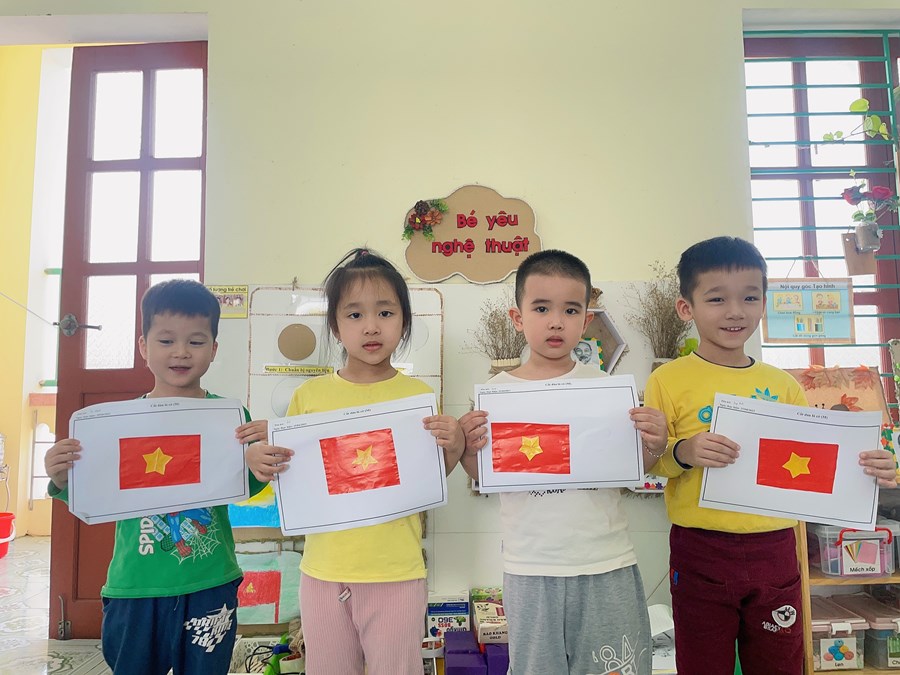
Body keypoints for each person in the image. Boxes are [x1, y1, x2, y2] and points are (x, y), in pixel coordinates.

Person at [644, 236, 899, 675]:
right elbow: (653, 462)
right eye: (717, 299)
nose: (735, 311)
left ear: (764, 303)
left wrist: (871, 471)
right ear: (687, 308)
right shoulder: (667, 380)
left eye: (749, 297)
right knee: (702, 663)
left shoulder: (783, 385)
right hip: (700, 547)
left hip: (776, 546)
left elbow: (817, 463)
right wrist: (684, 450)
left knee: (779, 662)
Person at [246, 248, 465, 675]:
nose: (371, 326)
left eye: (385, 312)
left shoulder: (416, 397)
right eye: (354, 314)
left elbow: (428, 481)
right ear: (335, 325)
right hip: (323, 572)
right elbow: (290, 476)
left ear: (404, 321)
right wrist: (261, 459)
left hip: (396, 572)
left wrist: (453, 445)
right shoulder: (309, 397)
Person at [44, 279, 268, 675]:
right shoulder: (117, 424)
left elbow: (244, 485)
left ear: (214, 349)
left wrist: (259, 463)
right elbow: (91, 491)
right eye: (166, 341)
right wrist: (61, 478)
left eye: (196, 341)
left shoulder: (230, 418)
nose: (181, 352)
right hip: (135, 586)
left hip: (209, 581)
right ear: (143, 346)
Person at [459, 249, 667, 675]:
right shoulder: (497, 394)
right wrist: (466, 450)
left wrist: (655, 444)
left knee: (617, 667)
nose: (556, 321)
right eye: (541, 308)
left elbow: (632, 468)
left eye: (570, 310)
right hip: (531, 567)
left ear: (585, 321)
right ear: (517, 318)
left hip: (607, 561)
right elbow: (487, 477)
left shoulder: (608, 390)